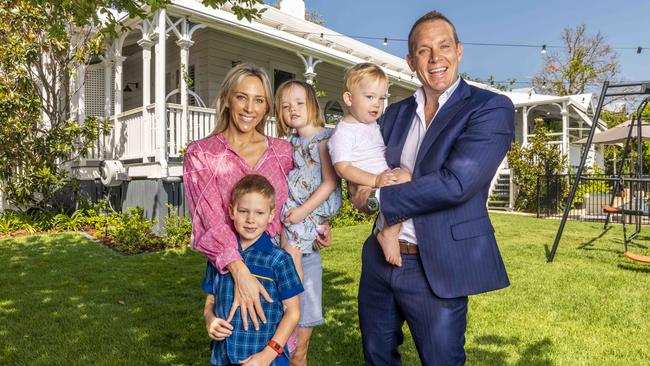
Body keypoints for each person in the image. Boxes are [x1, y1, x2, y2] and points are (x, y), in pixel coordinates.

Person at [349, 11, 515, 365]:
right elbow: (361, 174)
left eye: (444, 46)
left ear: (459, 50)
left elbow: (456, 184)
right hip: (379, 262)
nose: (436, 58)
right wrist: (362, 192)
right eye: (424, 51)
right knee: (376, 357)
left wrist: (379, 198)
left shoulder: (490, 108)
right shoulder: (392, 114)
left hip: (436, 266)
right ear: (411, 62)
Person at [183, 63, 331, 336]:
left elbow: (305, 191)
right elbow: (208, 219)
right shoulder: (201, 154)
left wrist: (316, 226)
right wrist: (240, 272)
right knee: (244, 349)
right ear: (227, 99)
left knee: (294, 351)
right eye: (242, 97)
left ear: (266, 108)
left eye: (259, 100)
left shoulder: (283, 151)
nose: (250, 108)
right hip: (233, 263)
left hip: (285, 259)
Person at [202, 174, 303, 366]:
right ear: (231, 211)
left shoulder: (279, 260)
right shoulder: (219, 256)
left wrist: (267, 355)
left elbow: (293, 312)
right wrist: (210, 319)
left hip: (265, 359)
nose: (250, 219)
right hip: (222, 357)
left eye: (259, 213)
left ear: (271, 215)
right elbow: (211, 298)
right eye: (243, 211)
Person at [274, 80, 342, 366]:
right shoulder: (292, 142)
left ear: (312, 104)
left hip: (311, 205)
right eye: (286, 106)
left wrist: (303, 212)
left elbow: (329, 183)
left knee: (292, 252)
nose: (293, 110)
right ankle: (292, 303)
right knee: (289, 245)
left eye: (299, 103)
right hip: (299, 205)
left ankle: (294, 304)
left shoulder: (323, 139)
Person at [327, 63, 411, 267]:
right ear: (349, 98)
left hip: (383, 177)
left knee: (405, 177)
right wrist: (375, 180)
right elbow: (343, 168)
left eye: (382, 98)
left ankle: (383, 214)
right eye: (370, 97)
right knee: (403, 182)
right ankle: (388, 234)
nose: (377, 104)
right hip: (366, 182)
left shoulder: (372, 125)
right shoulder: (344, 132)